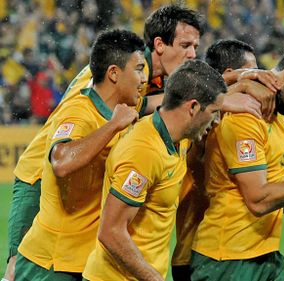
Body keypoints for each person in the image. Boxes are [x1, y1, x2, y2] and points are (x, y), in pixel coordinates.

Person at [3, 5, 204, 280]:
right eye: (185, 45)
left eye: (195, 46)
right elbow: (61, 157)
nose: (192, 54)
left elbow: (159, 104)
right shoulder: (94, 91)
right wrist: (114, 125)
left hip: (82, 227)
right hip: (37, 178)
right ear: (159, 45)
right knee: (18, 268)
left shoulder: (136, 84)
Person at [190, 42, 284, 280]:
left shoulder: (283, 115)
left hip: (266, 257)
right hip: (228, 260)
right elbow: (259, 200)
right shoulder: (245, 112)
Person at [14, 29, 145, 281]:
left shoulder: (120, 111)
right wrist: (113, 126)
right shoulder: (78, 112)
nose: (142, 79)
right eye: (138, 69)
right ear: (114, 73)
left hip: (85, 261)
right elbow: (61, 162)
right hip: (51, 263)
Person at [82, 60, 227, 281]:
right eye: (214, 112)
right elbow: (110, 232)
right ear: (193, 107)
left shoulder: (177, 138)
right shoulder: (143, 152)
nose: (216, 121)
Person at [171, 39, 269, 281]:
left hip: (227, 253)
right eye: (252, 70)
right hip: (199, 254)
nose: (259, 77)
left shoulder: (225, 116)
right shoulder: (196, 123)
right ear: (231, 74)